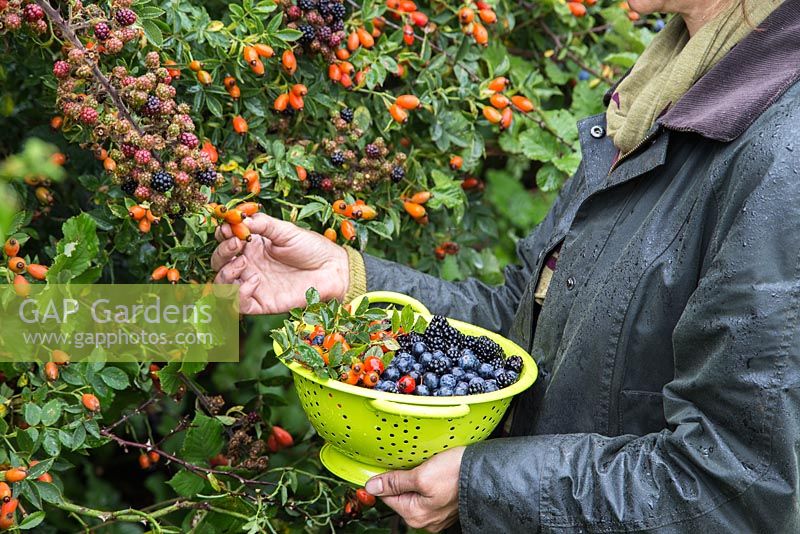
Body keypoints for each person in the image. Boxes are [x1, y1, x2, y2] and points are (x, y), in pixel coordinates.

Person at [213, 0, 800, 531]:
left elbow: (734, 490)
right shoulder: (658, 97)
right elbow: (522, 329)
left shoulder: (779, 156)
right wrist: (348, 277)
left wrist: (480, 486)